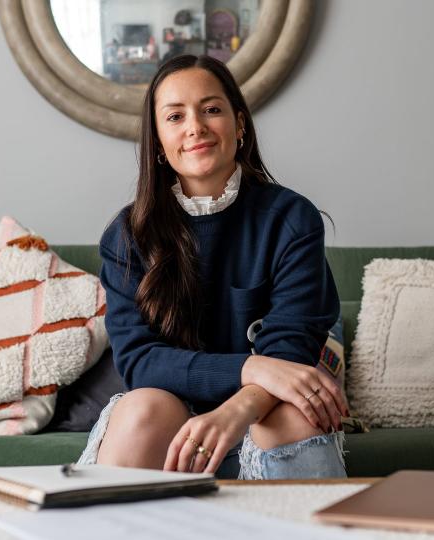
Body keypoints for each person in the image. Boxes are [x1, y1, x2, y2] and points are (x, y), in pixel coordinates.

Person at [77, 55, 347, 480]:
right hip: (170, 416)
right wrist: (248, 365)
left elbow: (290, 349)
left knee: (297, 411)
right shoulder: (127, 234)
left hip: (264, 408)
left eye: (212, 109)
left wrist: (237, 406)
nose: (195, 127)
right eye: (175, 116)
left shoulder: (292, 218)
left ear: (239, 125)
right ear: (159, 142)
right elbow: (140, 359)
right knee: (143, 407)